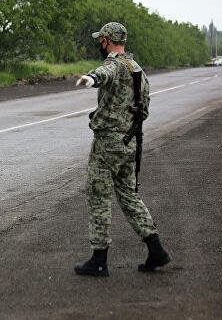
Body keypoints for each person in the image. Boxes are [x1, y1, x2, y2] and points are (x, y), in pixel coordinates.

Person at [74, 22, 171, 276]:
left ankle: (99, 259)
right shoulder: (138, 70)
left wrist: (91, 78)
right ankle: (156, 249)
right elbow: (145, 110)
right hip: (130, 143)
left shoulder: (114, 64)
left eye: (100, 40)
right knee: (128, 196)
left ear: (107, 40)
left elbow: (105, 72)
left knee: (98, 196)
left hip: (107, 144)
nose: (99, 43)